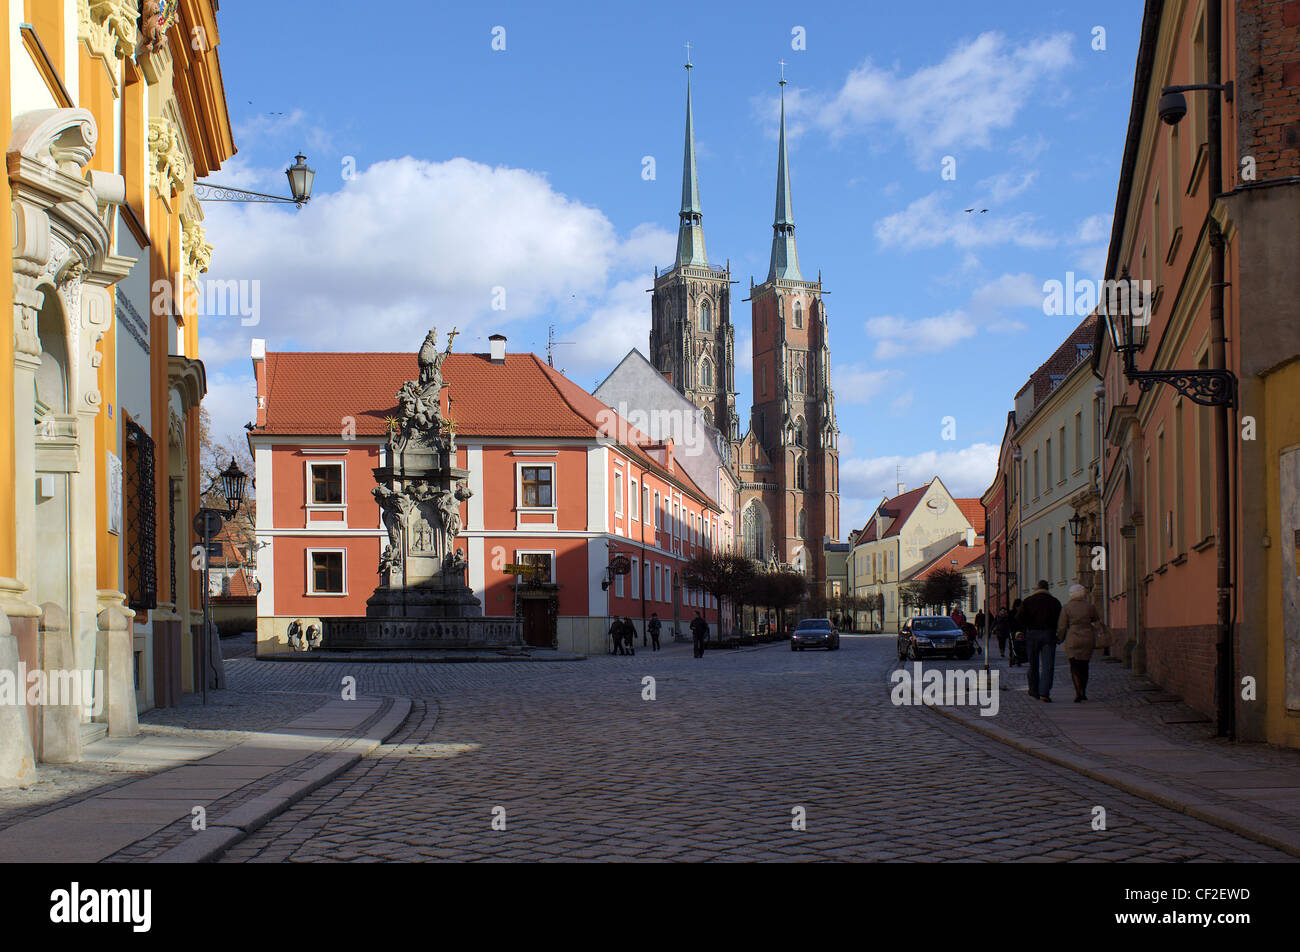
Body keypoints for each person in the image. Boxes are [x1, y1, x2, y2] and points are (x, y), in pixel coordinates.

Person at [1058, 584, 1105, 702]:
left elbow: (1062, 626)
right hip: (1087, 637)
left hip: (1073, 638)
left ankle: (1077, 691)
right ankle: (1083, 691)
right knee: (1085, 665)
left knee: (1074, 665)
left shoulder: (1067, 607)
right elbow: (1096, 620)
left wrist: (1060, 638)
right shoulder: (1090, 607)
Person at [1019, 581, 1063, 701]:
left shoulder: (1028, 601)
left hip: (1032, 634)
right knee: (1048, 665)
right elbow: (1060, 619)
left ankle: (1033, 690)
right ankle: (1044, 692)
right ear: (1048, 589)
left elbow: (1019, 618)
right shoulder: (1055, 602)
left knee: (1033, 664)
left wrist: (1025, 630)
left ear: (1037, 588)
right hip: (1049, 634)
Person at [1008, 598, 1024, 666]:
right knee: (1013, 645)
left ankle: (1017, 659)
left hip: (1017, 631)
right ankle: (1014, 658)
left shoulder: (1020, 612)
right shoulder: (1014, 613)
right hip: (1015, 631)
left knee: (1018, 645)